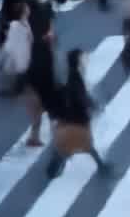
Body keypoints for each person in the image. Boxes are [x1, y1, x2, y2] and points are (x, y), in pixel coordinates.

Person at [45, 48, 109, 179]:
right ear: (78, 61)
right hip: (76, 117)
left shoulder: (72, 75)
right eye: (83, 58)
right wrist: (92, 105)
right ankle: (101, 166)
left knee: (76, 145)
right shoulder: (75, 77)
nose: (86, 61)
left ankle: (55, 166)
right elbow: (80, 96)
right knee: (81, 144)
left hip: (70, 117)